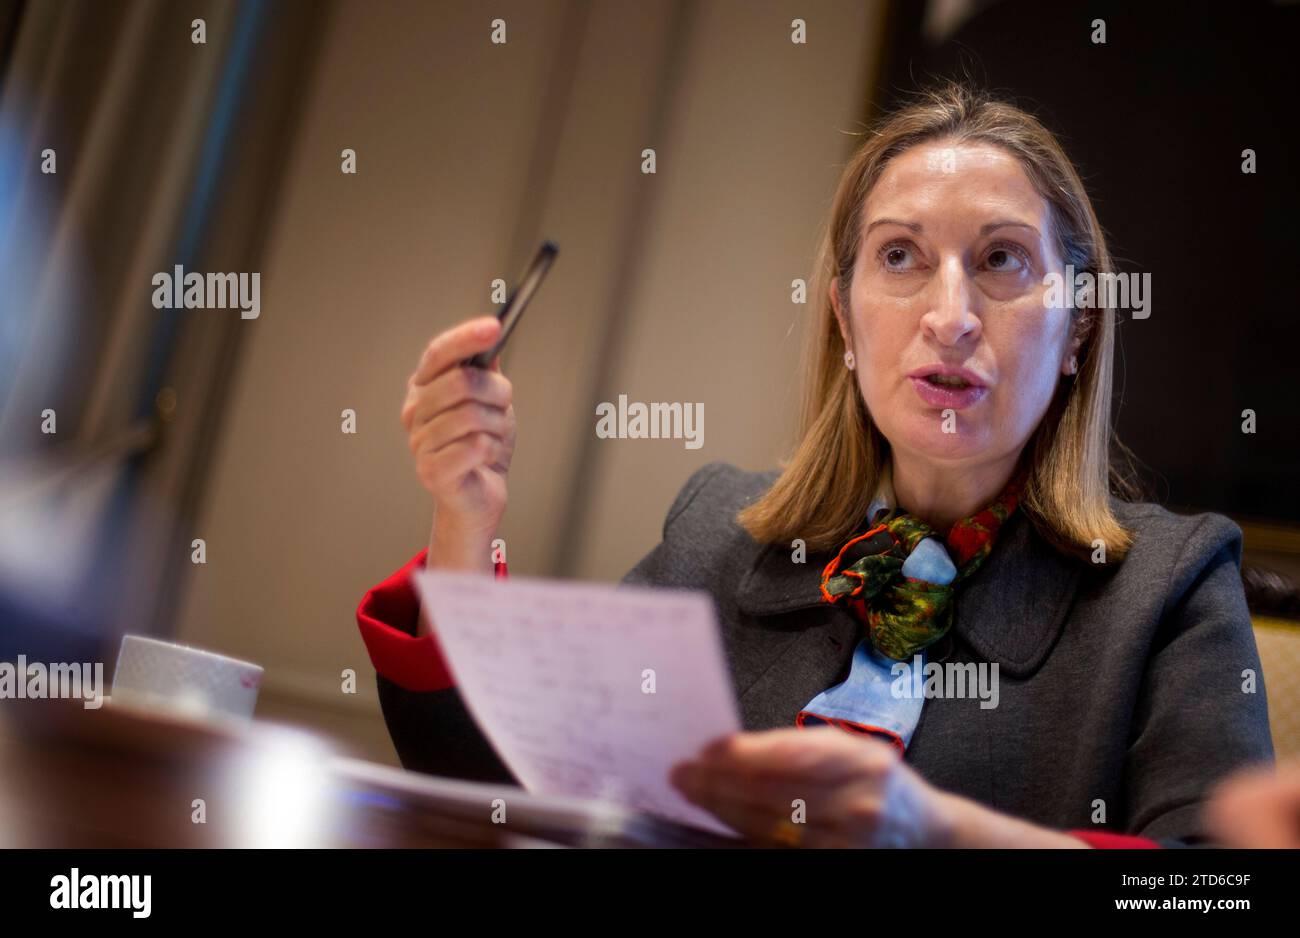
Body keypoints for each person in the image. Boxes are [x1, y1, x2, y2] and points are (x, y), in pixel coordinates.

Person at [356, 83, 1273, 848]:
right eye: (901, 256)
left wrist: (938, 831)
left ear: (1078, 327)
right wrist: (464, 519)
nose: (949, 314)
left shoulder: (1169, 586)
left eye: (1000, 259)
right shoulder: (718, 532)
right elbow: (496, 788)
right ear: (842, 315)